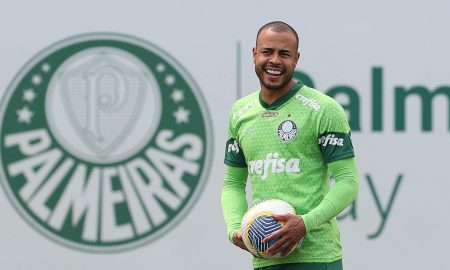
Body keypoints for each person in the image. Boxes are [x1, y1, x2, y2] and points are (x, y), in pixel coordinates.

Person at [221, 21, 359, 270]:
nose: (274, 60)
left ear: (296, 58)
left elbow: (348, 182)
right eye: (267, 52)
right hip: (265, 258)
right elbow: (232, 183)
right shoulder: (240, 113)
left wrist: (304, 224)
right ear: (254, 54)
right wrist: (235, 229)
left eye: (284, 54)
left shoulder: (323, 109)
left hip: (317, 257)